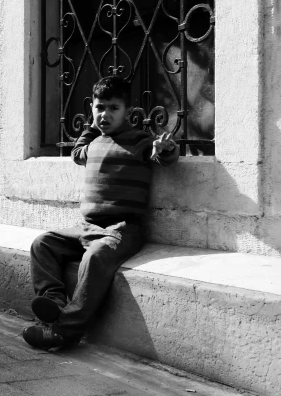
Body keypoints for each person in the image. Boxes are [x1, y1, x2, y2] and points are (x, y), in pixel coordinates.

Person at [23, 76, 179, 350]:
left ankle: (63, 332)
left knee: (94, 258)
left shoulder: (140, 141)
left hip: (120, 230)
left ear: (128, 113)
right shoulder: (93, 143)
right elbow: (75, 153)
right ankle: (55, 301)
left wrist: (165, 149)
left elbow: (161, 157)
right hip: (86, 227)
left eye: (113, 108)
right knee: (42, 243)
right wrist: (92, 127)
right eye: (99, 107)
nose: (105, 114)